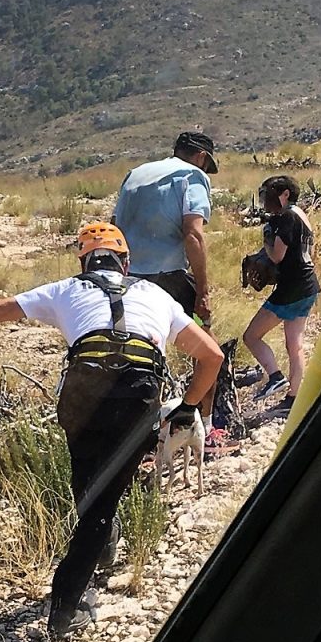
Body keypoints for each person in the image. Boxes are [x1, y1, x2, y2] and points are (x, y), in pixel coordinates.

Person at [0, 222, 223, 642]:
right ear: (127, 262)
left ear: (83, 261)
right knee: (102, 502)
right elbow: (212, 356)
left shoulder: (66, 290)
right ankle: (73, 594)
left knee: (88, 490)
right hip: (137, 397)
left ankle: (85, 572)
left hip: (82, 390)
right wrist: (188, 408)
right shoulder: (156, 295)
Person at [112, 131, 234, 453]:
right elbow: (193, 235)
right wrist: (203, 292)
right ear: (201, 158)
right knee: (205, 347)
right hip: (167, 278)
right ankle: (204, 426)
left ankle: (133, 432)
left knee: (130, 352)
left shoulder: (135, 174)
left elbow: (114, 225)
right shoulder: (192, 176)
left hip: (126, 277)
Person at [243, 175, 320, 416]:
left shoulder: (287, 216)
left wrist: (266, 239)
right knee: (295, 346)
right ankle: (294, 398)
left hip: (291, 289)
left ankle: (275, 377)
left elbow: (277, 255)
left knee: (251, 336)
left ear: (285, 194)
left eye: (270, 193)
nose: (266, 199)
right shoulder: (300, 215)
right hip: (307, 285)